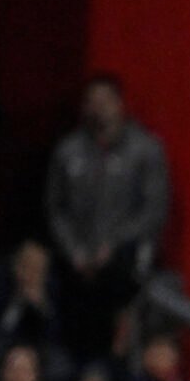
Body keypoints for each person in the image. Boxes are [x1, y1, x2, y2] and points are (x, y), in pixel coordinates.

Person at [46, 73, 170, 359]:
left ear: (120, 104)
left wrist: (112, 246)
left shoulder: (146, 150)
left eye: (105, 100)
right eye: (91, 101)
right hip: (76, 265)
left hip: (124, 265)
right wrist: (74, 250)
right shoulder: (67, 151)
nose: (97, 108)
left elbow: (153, 211)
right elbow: (55, 208)